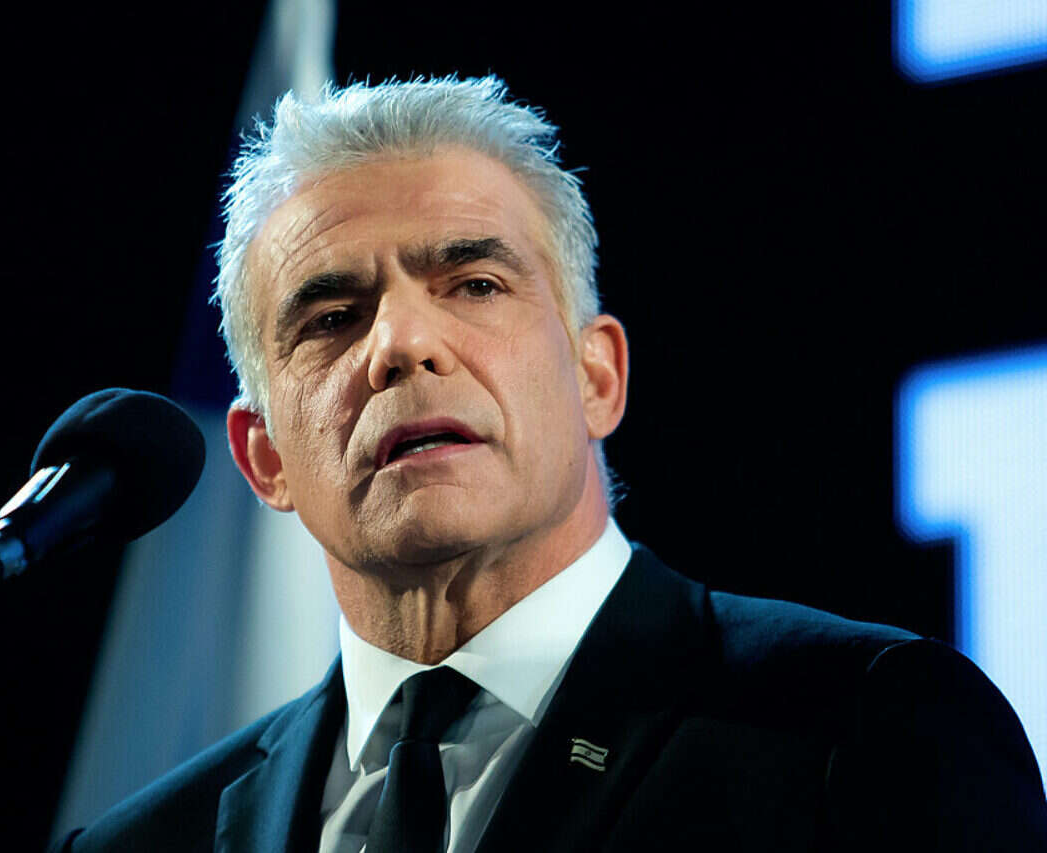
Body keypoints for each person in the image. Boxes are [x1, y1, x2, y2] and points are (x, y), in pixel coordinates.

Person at [58, 76, 1046, 852]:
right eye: (332, 317)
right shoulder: (140, 844)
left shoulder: (859, 731)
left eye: (474, 283)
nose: (402, 343)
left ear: (596, 376)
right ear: (264, 455)